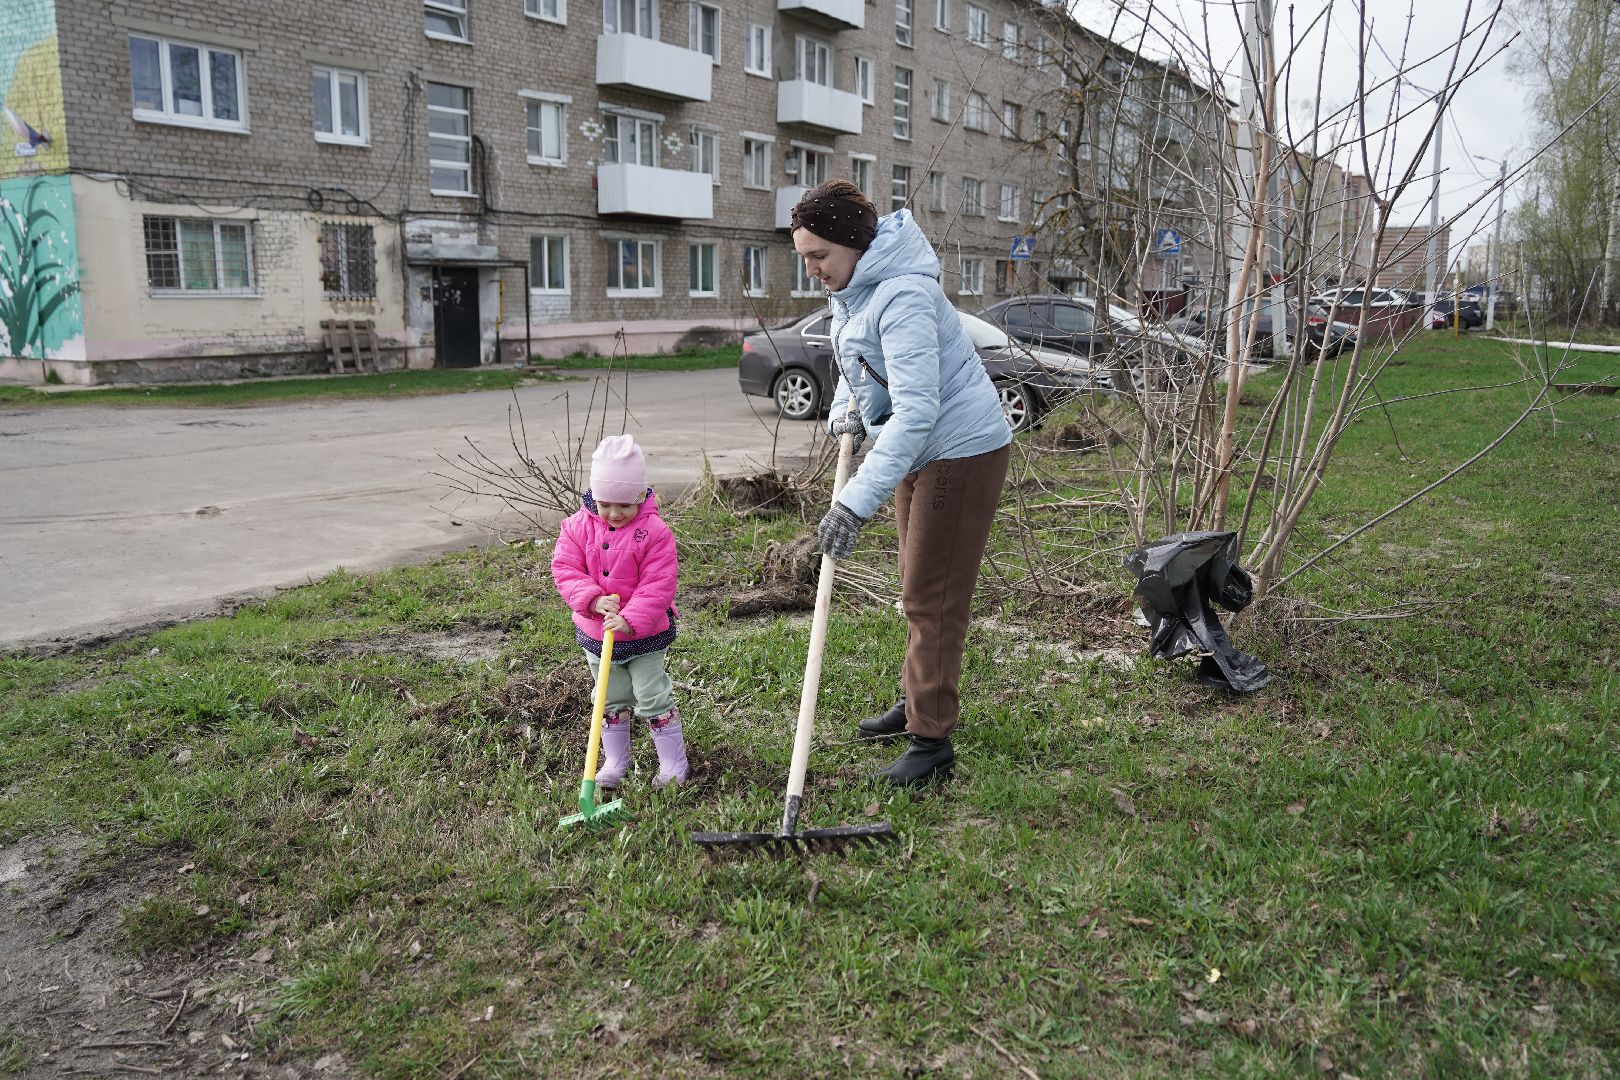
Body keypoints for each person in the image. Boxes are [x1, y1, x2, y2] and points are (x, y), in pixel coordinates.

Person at [791, 179, 1012, 786]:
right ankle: (920, 697)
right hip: (917, 448)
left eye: (818, 256)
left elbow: (918, 410)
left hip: (960, 448)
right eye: (804, 256)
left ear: (854, 243)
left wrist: (856, 501)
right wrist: (848, 408)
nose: (812, 269)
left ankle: (931, 741)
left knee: (931, 596)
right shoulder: (856, 287)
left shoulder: (905, 296)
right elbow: (860, 360)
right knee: (917, 583)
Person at [550, 434, 687, 789]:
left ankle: (673, 763)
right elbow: (565, 570)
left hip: (645, 634)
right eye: (606, 503)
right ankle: (615, 761)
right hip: (597, 635)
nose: (614, 513)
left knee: (651, 694)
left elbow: (659, 584)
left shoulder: (655, 533)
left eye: (625, 505)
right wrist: (592, 599)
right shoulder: (575, 528)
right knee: (609, 696)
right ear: (593, 495)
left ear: (642, 496)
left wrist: (630, 618)